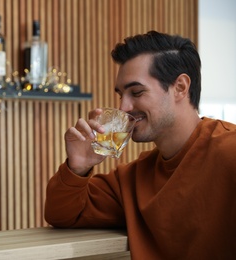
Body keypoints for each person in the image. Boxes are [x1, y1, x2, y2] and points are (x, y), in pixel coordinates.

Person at [44, 30, 236, 259]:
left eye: (137, 92)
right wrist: (78, 167)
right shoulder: (133, 178)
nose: (124, 107)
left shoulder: (230, 153)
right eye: (121, 95)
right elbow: (63, 214)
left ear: (181, 87)